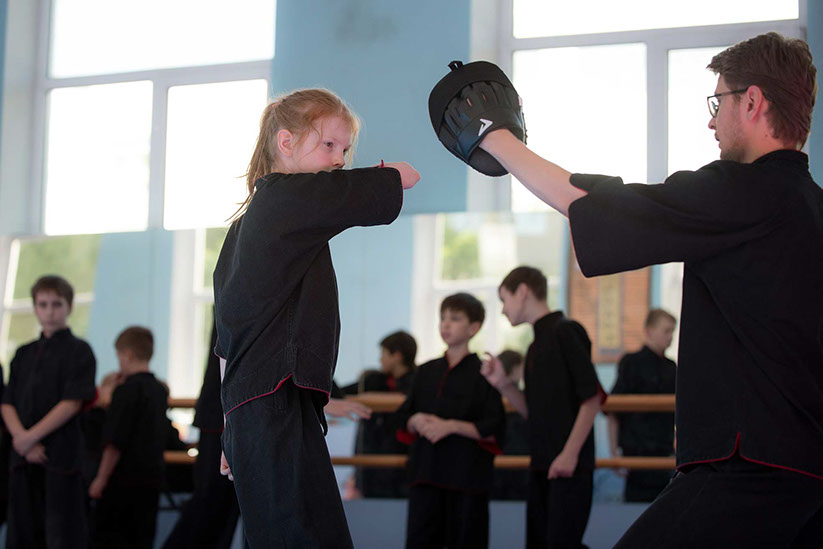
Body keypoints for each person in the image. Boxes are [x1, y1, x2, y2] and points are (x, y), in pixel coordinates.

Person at [469, 32, 823, 547]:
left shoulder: (743, 191)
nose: (711, 121)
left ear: (751, 102)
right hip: (806, 477)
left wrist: (494, 137)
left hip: (749, 469)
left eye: (718, 103)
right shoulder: (811, 207)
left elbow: (600, 205)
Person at [212, 88, 420, 549]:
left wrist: (231, 425)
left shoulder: (247, 224)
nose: (339, 160)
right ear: (286, 142)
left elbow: (226, 340)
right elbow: (405, 175)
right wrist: (386, 174)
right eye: (328, 145)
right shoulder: (287, 198)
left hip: (258, 408)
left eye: (345, 150)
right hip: (272, 404)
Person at [482, 266, 604, 548]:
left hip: (569, 465)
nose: (503, 309)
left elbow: (592, 398)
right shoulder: (535, 345)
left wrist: (569, 455)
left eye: (504, 299)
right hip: (542, 463)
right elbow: (532, 411)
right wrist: (503, 384)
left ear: (523, 291)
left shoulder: (566, 331)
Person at [396, 292, 506, 549]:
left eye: (455, 319)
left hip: (467, 478)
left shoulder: (484, 373)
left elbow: (495, 427)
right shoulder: (425, 371)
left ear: (473, 328)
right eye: (443, 318)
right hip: (425, 474)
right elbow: (402, 417)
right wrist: (416, 420)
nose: (445, 324)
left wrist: (451, 426)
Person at [0, 275, 96, 549]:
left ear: (69, 307)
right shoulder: (23, 353)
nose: (49, 311)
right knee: (21, 533)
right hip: (22, 457)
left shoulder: (80, 351)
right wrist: (22, 439)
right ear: (35, 308)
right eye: (43, 305)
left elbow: (72, 402)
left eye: (56, 304)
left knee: (60, 534)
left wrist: (31, 437)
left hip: (59, 455)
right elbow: (7, 401)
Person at [89, 326, 169, 549]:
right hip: (150, 480)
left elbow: (115, 441)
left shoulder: (126, 391)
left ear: (127, 355)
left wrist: (101, 478)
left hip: (122, 483)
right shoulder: (159, 390)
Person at [608, 309, 677, 503]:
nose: (670, 337)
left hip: (665, 453)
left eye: (672, 331)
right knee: (636, 510)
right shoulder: (631, 363)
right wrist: (614, 453)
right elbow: (613, 409)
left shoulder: (672, 368)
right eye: (666, 331)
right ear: (649, 331)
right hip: (637, 453)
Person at [353, 330, 418, 498]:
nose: (380, 359)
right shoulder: (373, 380)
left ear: (397, 356)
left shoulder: (418, 382)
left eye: (383, 353)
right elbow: (343, 392)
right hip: (372, 469)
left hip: (403, 469)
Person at [490, 350, 530, 501]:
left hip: (509, 460)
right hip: (514, 458)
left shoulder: (515, 395)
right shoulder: (513, 396)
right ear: (514, 368)